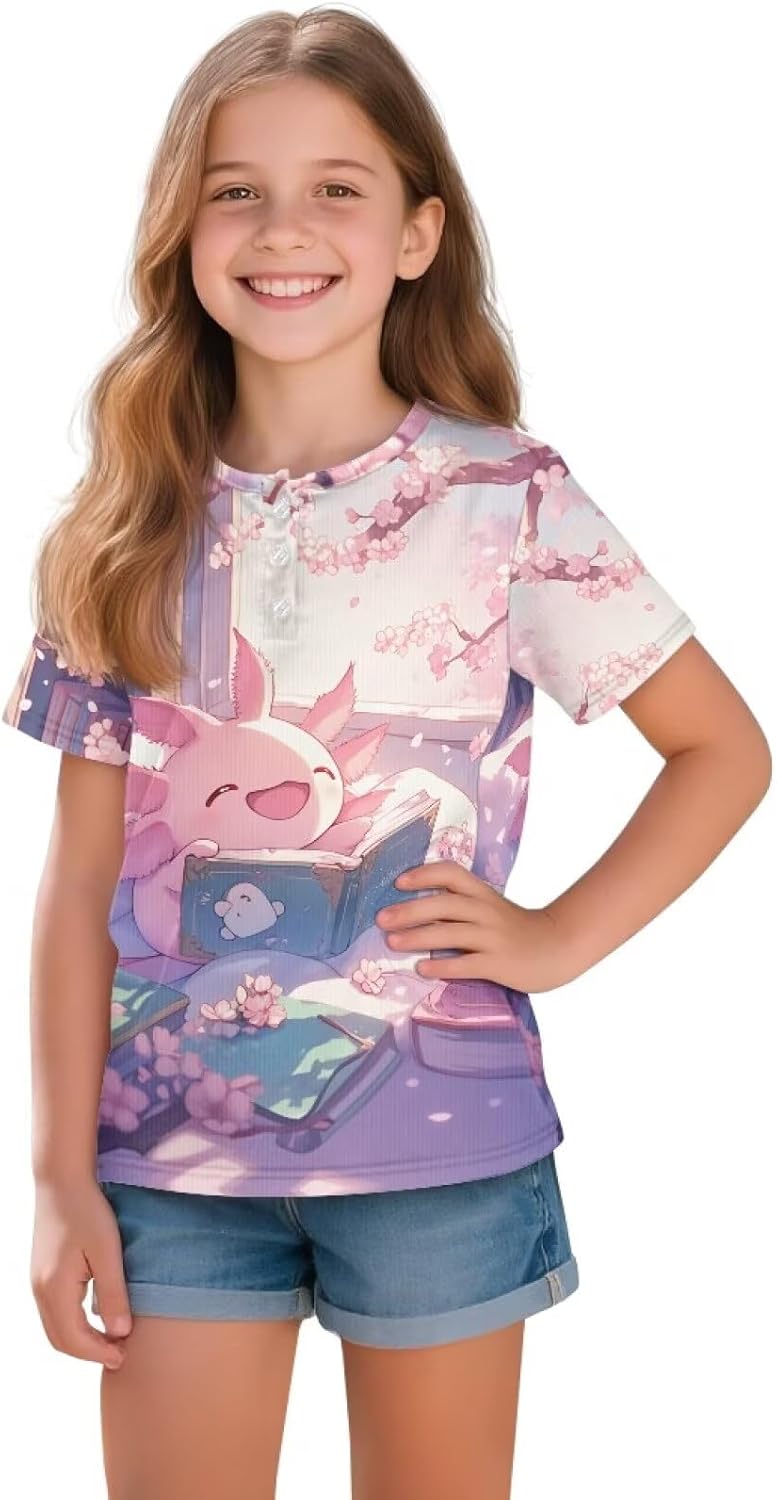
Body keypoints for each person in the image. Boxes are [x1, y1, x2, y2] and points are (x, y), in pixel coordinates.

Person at [2, 8, 770, 1500]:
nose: (283, 228)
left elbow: (721, 750)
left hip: (443, 1155)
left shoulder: (506, 500)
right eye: (236, 188)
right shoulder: (120, 522)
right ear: (179, 229)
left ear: (417, 234)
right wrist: (51, 1171)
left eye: (335, 189)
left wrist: (554, 939)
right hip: (168, 1161)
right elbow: (79, 876)